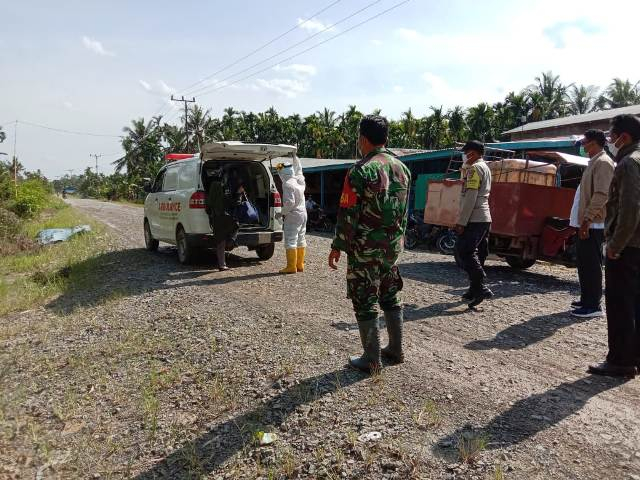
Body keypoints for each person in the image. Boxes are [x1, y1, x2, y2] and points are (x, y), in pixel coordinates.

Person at [329, 115, 411, 373]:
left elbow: (348, 214)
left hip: (365, 249)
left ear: (363, 139)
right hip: (392, 248)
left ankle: (371, 358)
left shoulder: (360, 171)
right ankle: (395, 350)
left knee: (365, 299)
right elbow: (405, 213)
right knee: (390, 294)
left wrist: (338, 246)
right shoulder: (402, 169)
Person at [589, 114, 640, 377]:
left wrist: (616, 245)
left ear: (625, 137)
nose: (610, 140)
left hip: (628, 245)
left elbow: (630, 208)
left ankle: (620, 360)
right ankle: (634, 355)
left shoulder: (629, 163)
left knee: (620, 304)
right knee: (635, 303)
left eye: (612, 135)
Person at [569, 130, 615, 318]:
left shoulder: (603, 163)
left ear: (594, 143)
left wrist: (587, 220)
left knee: (592, 265)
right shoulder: (594, 161)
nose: (582, 145)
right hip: (586, 222)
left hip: (594, 224)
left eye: (585, 142)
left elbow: (602, 195)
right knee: (584, 263)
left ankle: (593, 305)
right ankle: (586, 298)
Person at [455, 140, 493, 309]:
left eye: (468, 152)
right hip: (484, 217)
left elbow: (470, 197)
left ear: (476, 153)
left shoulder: (474, 169)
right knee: (479, 253)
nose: (465, 156)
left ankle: (480, 286)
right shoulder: (484, 167)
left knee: (464, 252)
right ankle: (473, 289)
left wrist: (462, 222)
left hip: (474, 217)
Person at [276, 156, 307, 274]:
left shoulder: (287, 184)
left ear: (282, 172)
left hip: (293, 214)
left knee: (290, 239)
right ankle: (300, 265)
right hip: (303, 214)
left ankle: (291, 267)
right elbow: (299, 170)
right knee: (301, 238)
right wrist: (295, 157)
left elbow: (289, 203)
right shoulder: (299, 180)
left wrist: (281, 213)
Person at [206, 169, 238, 271]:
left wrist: (210, 214)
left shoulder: (213, 189)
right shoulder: (224, 189)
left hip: (216, 217)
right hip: (226, 217)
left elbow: (209, 204)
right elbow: (233, 203)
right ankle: (231, 242)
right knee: (236, 226)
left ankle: (222, 264)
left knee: (220, 242)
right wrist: (238, 194)